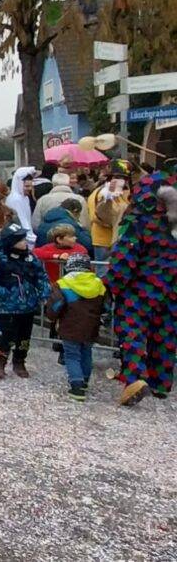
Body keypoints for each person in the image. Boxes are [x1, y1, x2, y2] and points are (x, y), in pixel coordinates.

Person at [107, 168, 176, 405]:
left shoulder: (139, 220)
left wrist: (111, 284)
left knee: (132, 331)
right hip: (171, 289)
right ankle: (161, 381)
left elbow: (125, 256)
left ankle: (135, 378)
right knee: (165, 332)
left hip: (139, 288)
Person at [0, 224, 50, 379]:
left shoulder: (31, 258)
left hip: (28, 305)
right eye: (20, 240)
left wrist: (43, 293)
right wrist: (2, 293)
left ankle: (19, 361)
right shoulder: (0, 260)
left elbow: (41, 276)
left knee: (24, 337)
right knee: (8, 336)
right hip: (8, 306)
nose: (24, 242)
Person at [44, 253, 106, 401]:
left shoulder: (63, 283)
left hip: (69, 326)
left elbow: (56, 306)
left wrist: (52, 317)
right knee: (86, 352)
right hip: (91, 325)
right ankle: (84, 381)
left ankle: (76, 386)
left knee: (72, 355)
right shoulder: (98, 283)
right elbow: (106, 305)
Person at [86, 161, 131, 261]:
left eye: (125, 178)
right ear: (110, 178)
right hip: (104, 241)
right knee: (104, 272)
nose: (123, 181)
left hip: (118, 239)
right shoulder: (103, 193)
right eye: (118, 178)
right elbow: (96, 217)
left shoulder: (121, 193)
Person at [4, 166, 37, 246]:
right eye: (26, 186)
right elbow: (22, 220)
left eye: (31, 186)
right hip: (19, 238)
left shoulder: (25, 198)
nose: (29, 189)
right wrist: (29, 238)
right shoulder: (15, 199)